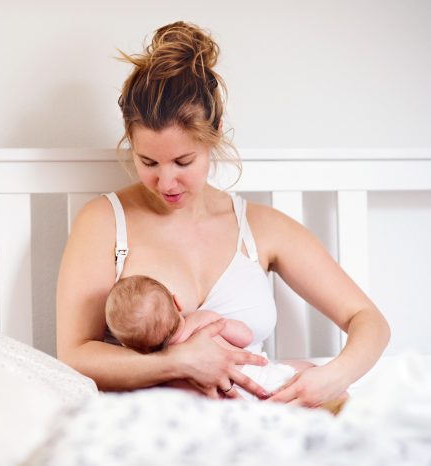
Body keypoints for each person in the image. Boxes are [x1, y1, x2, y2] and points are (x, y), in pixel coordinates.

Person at [56, 20, 390, 406]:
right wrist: (178, 362)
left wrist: (332, 377)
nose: (166, 182)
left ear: (213, 134)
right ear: (130, 141)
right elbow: (75, 354)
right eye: (148, 161)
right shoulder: (103, 221)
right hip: (156, 420)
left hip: (257, 418)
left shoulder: (260, 228)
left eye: (184, 161)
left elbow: (368, 319)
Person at [105, 274, 300, 401]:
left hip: (231, 404)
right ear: (177, 303)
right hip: (261, 378)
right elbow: (245, 336)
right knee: (305, 370)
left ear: (129, 346)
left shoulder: (162, 375)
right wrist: (225, 325)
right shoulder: (203, 320)